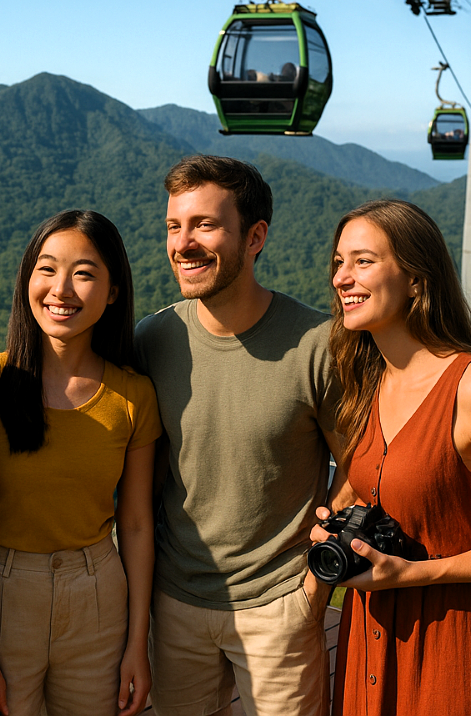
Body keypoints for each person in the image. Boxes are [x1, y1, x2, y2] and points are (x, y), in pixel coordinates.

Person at [319, 199, 471, 715]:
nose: (343, 276)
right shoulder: (366, 381)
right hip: (370, 626)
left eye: (363, 261)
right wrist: (332, 523)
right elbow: (370, 485)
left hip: (452, 635)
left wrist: (415, 575)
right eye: (339, 262)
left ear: (415, 278)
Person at [135, 155, 343, 716]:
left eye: (205, 225)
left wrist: (313, 589)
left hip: (279, 605)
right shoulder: (155, 337)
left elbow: (355, 468)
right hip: (174, 601)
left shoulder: (317, 344)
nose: (184, 243)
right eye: (174, 227)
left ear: (255, 237)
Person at [0, 210, 159, 716]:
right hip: (1, 594)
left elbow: (134, 524)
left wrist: (137, 644)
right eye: (47, 269)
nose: (61, 289)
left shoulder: (133, 396)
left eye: (84, 273)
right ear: (26, 281)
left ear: (112, 292)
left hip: (99, 595)